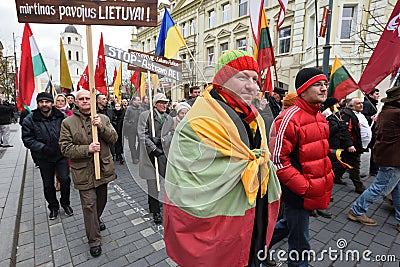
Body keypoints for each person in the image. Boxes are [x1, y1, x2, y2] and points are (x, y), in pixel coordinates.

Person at [164, 50, 281, 267]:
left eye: (255, 79)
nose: (251, 85)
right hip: (220, 222)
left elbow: (263, 157)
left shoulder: (254, 117)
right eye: (242, 77)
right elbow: (188, 175)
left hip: (255, 214)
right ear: (223, 80)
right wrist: (245, 166)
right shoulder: (198, 119)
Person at [269, 67, 334, 267]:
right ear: (303, 89)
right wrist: (304, 187)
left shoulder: (320, 117)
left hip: (313, 190)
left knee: (289, 225)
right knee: (300, 242)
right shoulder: (288, 118)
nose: (324, 89)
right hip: (298, 193)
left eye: (325, 84)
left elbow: (320, 153)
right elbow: (278, 159)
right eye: (318, 84)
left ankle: (255, 246)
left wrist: (326, 180)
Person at [59, 90, 118, 257]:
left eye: (88, 98)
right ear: (76, 102)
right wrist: (87, 149)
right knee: (89, 205)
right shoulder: (68, 123)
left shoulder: (103, 118)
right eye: (81, 99)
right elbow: (65, 148)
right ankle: (94, 240)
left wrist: (101, 126)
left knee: (101, 201)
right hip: (83, 172)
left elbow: (114, 138)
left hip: (103, 169)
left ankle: (96, 220)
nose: (85, 101)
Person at [348, 85, 400, 233]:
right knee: (380, 187)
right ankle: (357, 211)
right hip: (393, 158)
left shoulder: (386, 111)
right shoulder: (396, 113)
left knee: (397, 189)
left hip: (390, 156)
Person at [22, 92, 73, 220]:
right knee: (48, 184)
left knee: (65, 180)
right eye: (41, 102)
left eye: (47, 102)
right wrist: (43, 148)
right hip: (44, 158)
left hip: (61, 155)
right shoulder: (30, 119)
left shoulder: (61, 116)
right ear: (38, 103)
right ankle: (53, 207)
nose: (44, 104)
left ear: (52, 103)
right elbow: (27, 139)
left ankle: (65, 203)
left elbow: (70, 131)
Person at [137, 93, 172, 224]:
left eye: (166, 102)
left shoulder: (168, 118)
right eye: (161, 102)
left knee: (161, 182)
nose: (164, 105)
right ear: (155, 104)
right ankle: (155, 210)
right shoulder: (145, 116)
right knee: (152, 184)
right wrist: (153, 147)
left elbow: (172, 133)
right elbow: (142, 134)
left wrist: (162, 140)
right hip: (150, 155)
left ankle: (156, 202)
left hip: (163, 154)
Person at [340, 98, 371, 193]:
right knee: (355, 166)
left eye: (361, 103)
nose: (361, 105)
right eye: (358, 104)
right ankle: (359, 186)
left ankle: (336, 176)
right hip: (353, 146)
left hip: (358, 144)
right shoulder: (347, 115)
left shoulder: (358, 114)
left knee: (344, 161)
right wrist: (350, 145)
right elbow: (345, 130)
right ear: (351, 106)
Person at [362, 88, 379, 176]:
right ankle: (374, 170)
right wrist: (371, 118)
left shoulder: (371, 103)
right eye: (376, 94)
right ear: (370, 95)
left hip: (372, 130)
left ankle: (374, 169)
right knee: (374, 149)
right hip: (369, 130)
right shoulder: (367, 104)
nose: (378, 96)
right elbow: (363, 117)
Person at [123, 97, 143, 164]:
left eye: (139, 100)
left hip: (140, 128)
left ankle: (137, 155)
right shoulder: (129, 108)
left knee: (141, 142)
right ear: (134, 101)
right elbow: (125, 119)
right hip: (131, 129)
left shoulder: (141, 109)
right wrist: (129, 125)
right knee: (132, 144)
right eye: (138, 100)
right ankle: (134, 158)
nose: (139, 101)